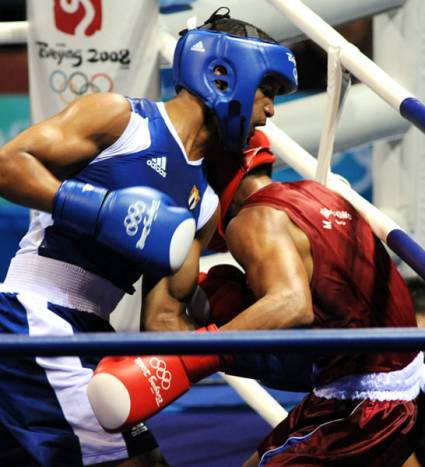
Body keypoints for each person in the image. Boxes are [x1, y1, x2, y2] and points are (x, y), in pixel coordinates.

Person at [0, 7, 298, 466]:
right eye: (268, 90)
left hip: (90, 331)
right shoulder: (121, 120)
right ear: (224, 75)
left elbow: (161, 321)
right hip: (33, 313)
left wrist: (239, 347)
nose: (270, 110)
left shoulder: (205, 203)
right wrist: (97, 210)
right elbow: (7, 164)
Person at [90, 129, 424, 465]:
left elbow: (291, 304)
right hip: (381, 384)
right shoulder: (320, 195)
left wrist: (195, 360)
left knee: (224, 299)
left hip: (364, 402)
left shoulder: (251, 220)